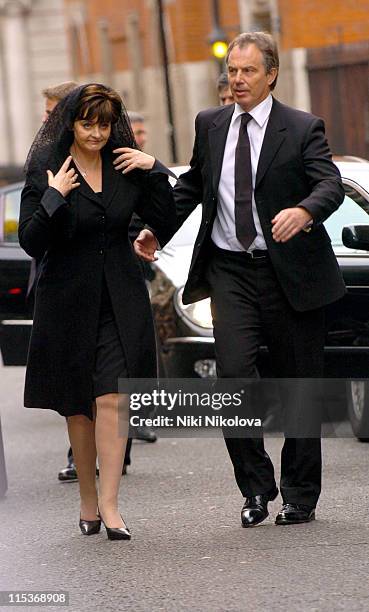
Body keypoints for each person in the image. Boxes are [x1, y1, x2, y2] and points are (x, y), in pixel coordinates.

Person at [132, 32, 346, 527]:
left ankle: (299, 496)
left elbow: (329, 182)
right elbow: (191, 187)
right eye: (232, 71)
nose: (238, 79)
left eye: (248, 71)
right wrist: (154, 228)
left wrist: (304, 211)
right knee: (232, 378)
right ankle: (255, 488)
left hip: (288, 272)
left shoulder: (301, 127)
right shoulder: (210, 124)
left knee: (299, 386)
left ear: (271, 74)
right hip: (230, 270)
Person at [19, 83, 175, 539]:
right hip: (67, 303)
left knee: (112, 397)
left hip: (120, 298)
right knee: (79, 409)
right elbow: (31, 241)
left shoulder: (124, 165)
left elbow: (167, 213)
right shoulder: (48, 169)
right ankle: (87, 498)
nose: (96, 133)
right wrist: (54, 197)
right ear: (71, 123)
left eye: (104, 124)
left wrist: (154, 168)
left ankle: (109, 506)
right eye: (88, 123)